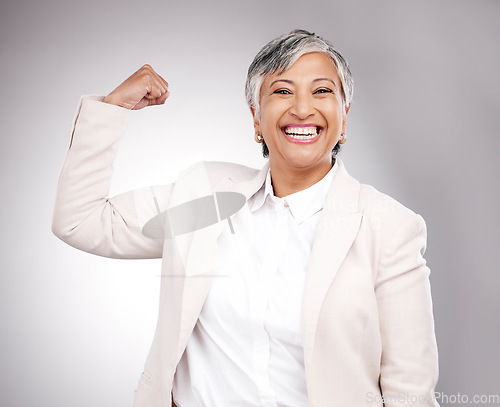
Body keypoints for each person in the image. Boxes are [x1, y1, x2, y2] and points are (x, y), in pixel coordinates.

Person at [52, 29, 440, 407]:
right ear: (256, 118)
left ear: (344, 114)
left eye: (322, 91)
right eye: (282, 91)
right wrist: (113, 109)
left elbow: (410, 394)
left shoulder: (388, 228)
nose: (302, 108)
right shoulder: (204, 194)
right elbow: (80, 220)